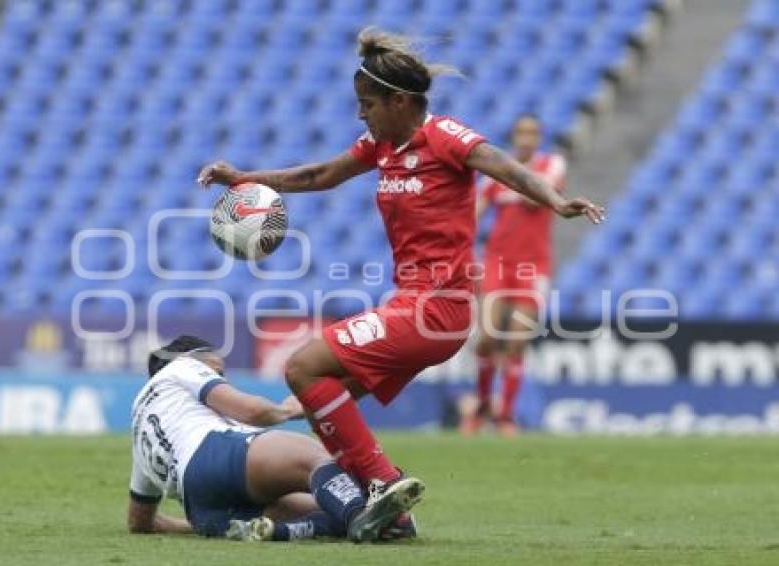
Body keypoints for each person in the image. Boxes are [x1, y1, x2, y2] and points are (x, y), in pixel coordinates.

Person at [197, 27, 604, 526]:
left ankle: (384, 483)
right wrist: (244, 178)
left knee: (303, 367)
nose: (360, 114)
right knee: (320, 394)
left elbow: (504, 167)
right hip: (412, 305)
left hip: (438, 309)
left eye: (367, 103)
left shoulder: (446, 137)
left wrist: (556, 200)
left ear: (400, 101)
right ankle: (386, 514)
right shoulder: (380, 145)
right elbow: (318, 176)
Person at [127, 334, 417, 543]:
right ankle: (361, 514)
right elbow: (251, 411)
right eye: (218, 371)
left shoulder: (142, 430)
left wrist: (193, 525)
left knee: (329, 506)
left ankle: (275, 531)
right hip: (218, 456)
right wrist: (287, 410)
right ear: (198, 358)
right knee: (313, 457)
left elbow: (139, 521)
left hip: (204, 510)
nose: (222, 376)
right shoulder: (182, 366)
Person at [462, 114, 567, 436]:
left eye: (532, 133)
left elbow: (536, 197)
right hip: (497, 263)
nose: (526, 138)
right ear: (514, 136)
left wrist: (507, 180)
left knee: (518, 342)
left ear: (539, 137)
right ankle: (482, 404)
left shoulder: (552, 165)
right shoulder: (495, 175)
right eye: (521, 132)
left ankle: (505, 415)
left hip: (534, 266)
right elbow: (472, 215)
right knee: (489, 338)